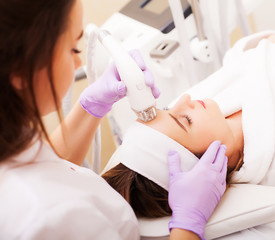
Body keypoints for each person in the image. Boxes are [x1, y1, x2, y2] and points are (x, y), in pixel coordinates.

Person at [0, 0, 228, 239]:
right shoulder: (47, 220)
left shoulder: (14, 144)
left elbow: (43, 172)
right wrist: (188, 226)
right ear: (21, 69)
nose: (79, 63)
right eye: (73, 49)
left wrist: (90, 107)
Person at [102, 16, 275, 223]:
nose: (185, 100)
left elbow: (235, 63)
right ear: (210, 163)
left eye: (167, 108)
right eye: (184, 120)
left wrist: (270, 43)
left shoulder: (208, 114)